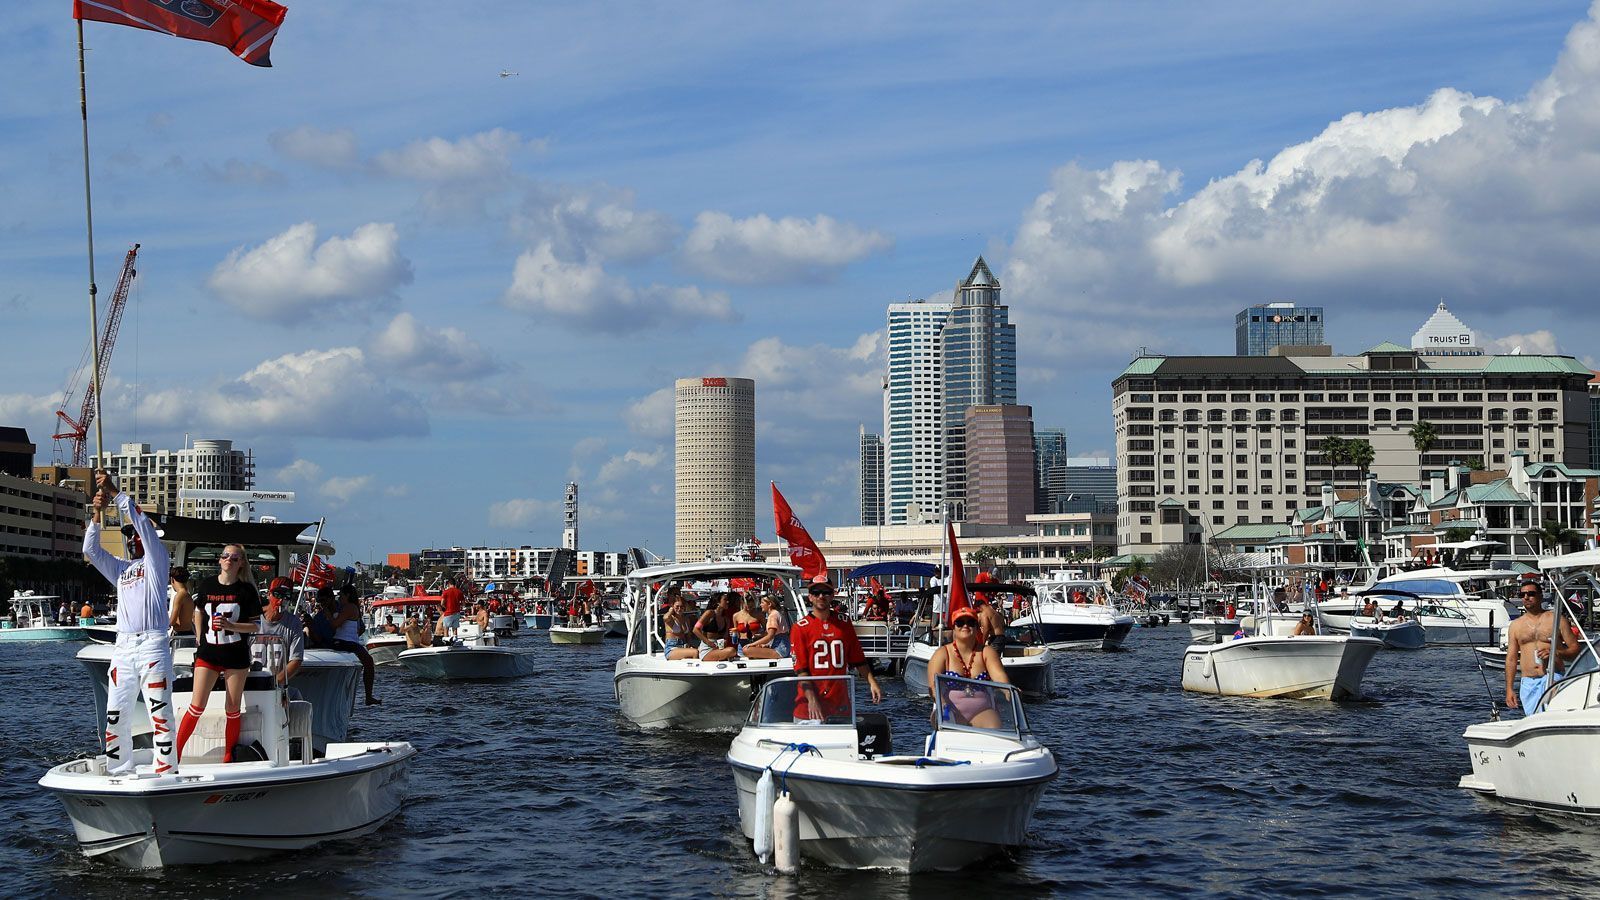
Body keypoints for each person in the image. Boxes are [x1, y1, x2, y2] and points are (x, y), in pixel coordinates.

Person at [82, 470, 179, 775]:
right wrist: (96, 514)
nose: (134, 539)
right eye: (131, 537)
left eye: (137, 534)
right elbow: (91, 551)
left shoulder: (157, 562)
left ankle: (166, 769)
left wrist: (114, 492)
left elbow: (143, 526)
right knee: (116, 713)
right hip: (123, 646)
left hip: (152, 643)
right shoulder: (122, 570)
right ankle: (118, 769)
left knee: (159, 711)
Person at [175, 542, 260, 764]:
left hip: (236, 656)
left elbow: (256, 626)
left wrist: (232, 626)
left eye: (234, 558)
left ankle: (228, 755)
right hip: (209, 653)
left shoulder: (246, 591)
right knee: (196, 705)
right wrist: (199, 635)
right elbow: (198, 610)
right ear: (219, 560)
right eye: (225, 556)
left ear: (241, 563)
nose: (228, 560)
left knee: (232, 707)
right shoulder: (207, 585)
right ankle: (174, 754)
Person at [790, 582, 881, 721]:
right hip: (809, 708)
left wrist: (872, 682)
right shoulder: (800, 628)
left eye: (826, 592)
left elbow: (857, 658)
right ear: (810, 597)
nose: (821, 596)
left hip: (839, 704)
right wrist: (812, 699)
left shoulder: (844, 623)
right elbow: (801, 670)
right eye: (816, 592)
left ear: (832, 595)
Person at [1506, 582, 1581, 715]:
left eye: (1531, 594)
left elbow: (1575, 650)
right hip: (1528, 683)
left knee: (1554, 718)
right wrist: (1510, 689)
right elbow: (1511, 659)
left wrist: (1554, 652)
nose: (1526, 597)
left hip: (1553, 678)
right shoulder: (1515, 626)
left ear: (1540, 596)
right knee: (1533, 721)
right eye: (1522, 594)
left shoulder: (1557, 620)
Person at [927, 610, 1010, 728]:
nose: (965, 626)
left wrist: (1009, 692)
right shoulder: (942, 653)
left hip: (982, 711)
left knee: (994, 728)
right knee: (945, 723)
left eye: (970, 622)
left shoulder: (987, 652)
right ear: (954, 628)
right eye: (960, 623)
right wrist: (943, 704)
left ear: (977, 627)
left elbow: (1000, 677)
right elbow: (933, 686)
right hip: (950, 710)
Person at [329, 586, 380, 705]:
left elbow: (335, 624)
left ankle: (368, 697)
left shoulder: (349, 607)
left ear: (347, 596)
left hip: (346, 641)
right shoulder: (353, 607)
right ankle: (368, 696)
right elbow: (360, 628)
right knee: (368, 662)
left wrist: (328, 614)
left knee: (368, 662)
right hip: (345, 642)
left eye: (341, 595)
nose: (339, 598)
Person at [256, 578, 305, 689]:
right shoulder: (253, 617)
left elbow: (296, 660)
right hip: (248, 684)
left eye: (287, 595)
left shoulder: (294, 623)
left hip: (276, 688)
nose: (282, 600)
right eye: (277, 594)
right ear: (269, 594)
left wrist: (273, 683)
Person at [734, 594, 779, 659]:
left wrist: (759, 635)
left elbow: (767, 632)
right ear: (742, 603)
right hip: (742, 644)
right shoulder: (736, 616)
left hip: (756, 643)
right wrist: (734, 633)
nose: (749, 608)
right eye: (747, 606)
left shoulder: (759, 614)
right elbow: (736, 633)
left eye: (751, 606)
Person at [695, 592, 737, 662]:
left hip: (719, 648)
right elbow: (695, 629)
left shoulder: (726, 619)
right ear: (718, 602)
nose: (728, 601)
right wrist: (708, 642)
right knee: (732, 651)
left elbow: (725, 637)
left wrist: (723, 643)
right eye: (725, 600)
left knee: (732, 651)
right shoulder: (709, 613)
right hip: (707, 649)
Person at [662, 594, 699, 660]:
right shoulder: (671, 619)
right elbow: (665, 617)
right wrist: (670, 610)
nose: (679, 609)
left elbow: (688, 636)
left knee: (700, 651)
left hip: (683, 645)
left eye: (681, 607)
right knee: (695, 652)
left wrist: (689, 645)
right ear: (672, 606)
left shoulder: (686, 619)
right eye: (677, 606)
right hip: (672, 648)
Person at [757, 593, 791, 657]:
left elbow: (770, 636)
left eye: (762, 603)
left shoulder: (773, 616)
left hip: (779, 649)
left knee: (747, 650)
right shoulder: (777, 613)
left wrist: (753, 644)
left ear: (769, 604)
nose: (760, 605)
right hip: (784, 647)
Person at [169, 565, 194, 634]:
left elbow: (172, 621)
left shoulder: (180, 596)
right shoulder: (187, 594)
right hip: (188, 632)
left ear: (172, 579)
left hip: (180, 634)